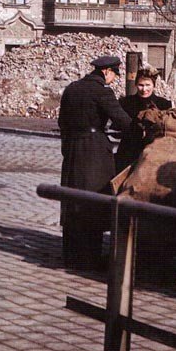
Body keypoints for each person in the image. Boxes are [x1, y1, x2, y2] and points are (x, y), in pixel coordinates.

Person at [58, 56, 131, 270]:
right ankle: (90, 258)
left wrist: (68, 148)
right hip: (94, 153)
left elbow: (62, 122)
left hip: (73, 150)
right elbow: (122, 121)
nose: (114, 79)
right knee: (95, 201)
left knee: (72, 201)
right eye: (114, 74)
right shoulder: (102, 91)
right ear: (107, 71)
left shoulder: (72, 88)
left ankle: (71, 255)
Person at [114, 67, 171, 173]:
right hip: (129, 150)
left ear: (154, 85)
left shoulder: (163, 104)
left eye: (147, 85)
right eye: (141, 85)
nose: (144, 89)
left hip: (154, 151)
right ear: (136, 84)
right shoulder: (125, 103)